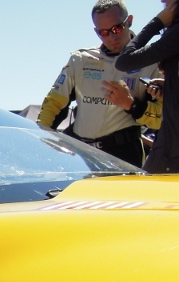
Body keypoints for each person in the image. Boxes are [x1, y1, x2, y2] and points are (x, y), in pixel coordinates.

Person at [38, 0, 163, 166]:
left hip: (124, 154)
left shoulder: (152, 62)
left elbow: (164, 118)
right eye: (103, 32)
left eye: (117, 28)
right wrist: (38, 139)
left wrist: (131, 105)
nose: (112, 36)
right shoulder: (80, 60)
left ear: (130, 20)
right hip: (81, 154)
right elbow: (53, 104)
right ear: (96, 31)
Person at [116, 1, 179, 172]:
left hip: (171, 147)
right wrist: (171, 87)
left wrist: (156, 23)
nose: (162, 1)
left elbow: (124, 61)